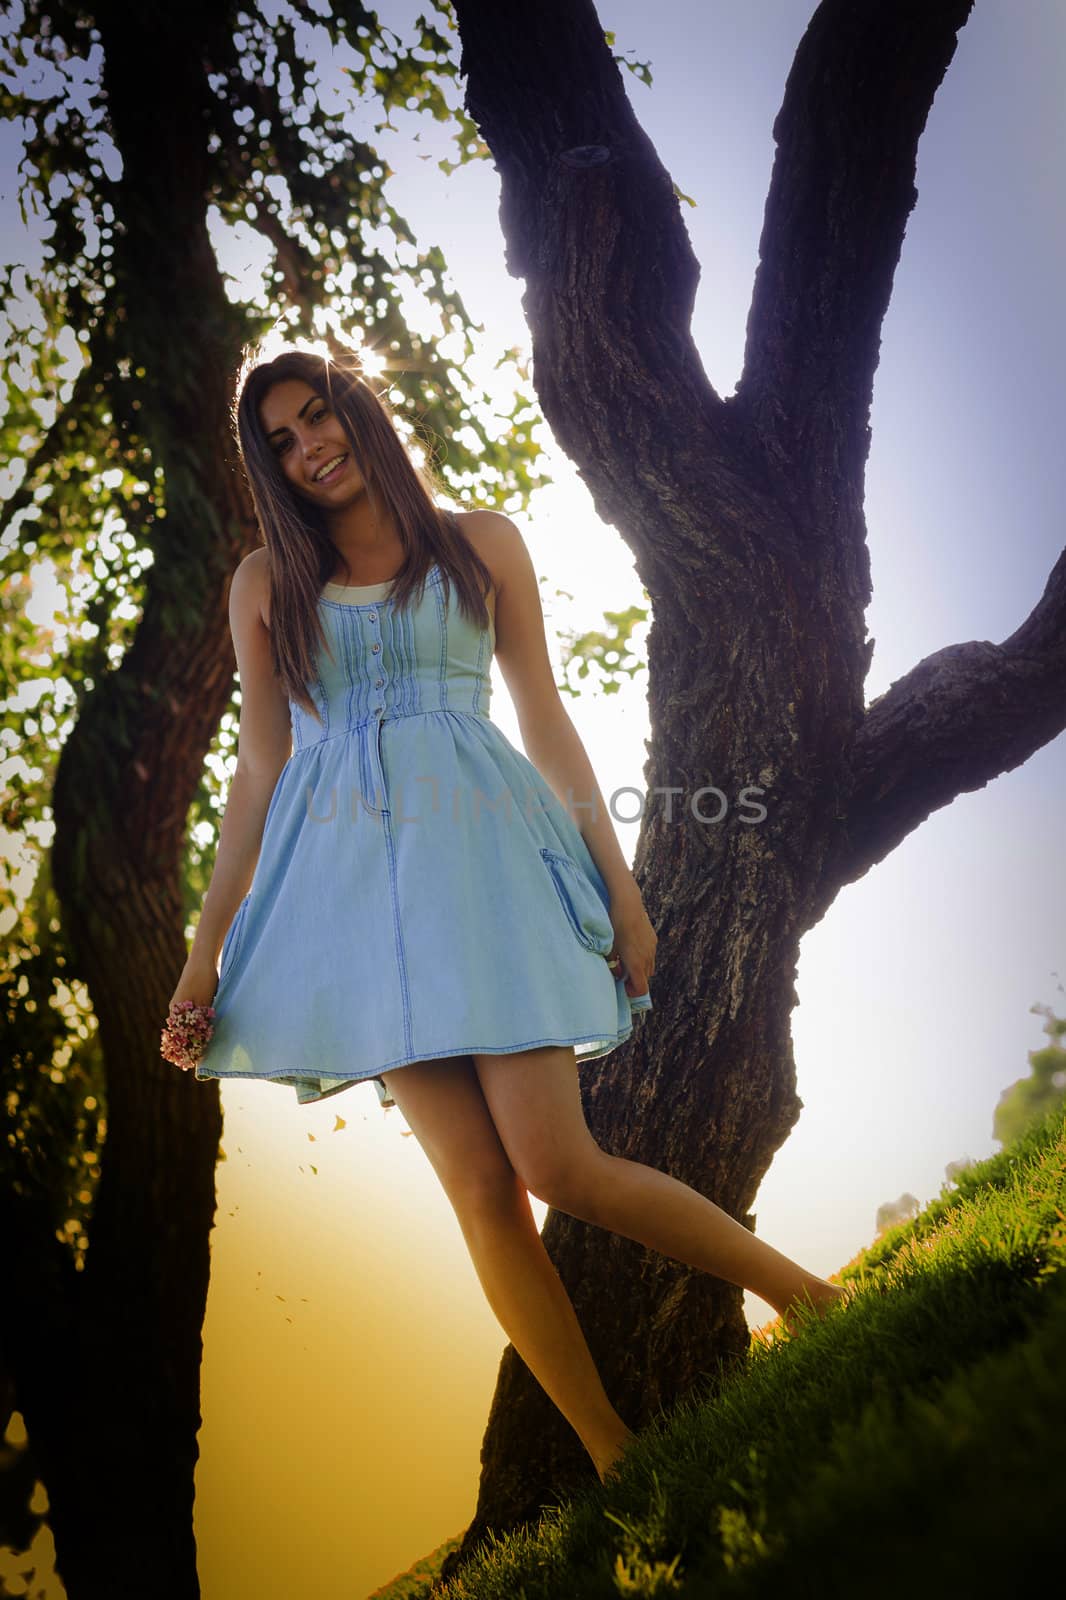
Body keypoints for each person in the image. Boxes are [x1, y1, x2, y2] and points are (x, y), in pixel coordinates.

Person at [168, 344, 847, 1486]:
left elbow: (543, 717)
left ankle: (807, 1296)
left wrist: (619, 888)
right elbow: (260, 772)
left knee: (556, 1163)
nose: (307, 448)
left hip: (484, 874)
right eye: (279, 442)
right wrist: (205, 954)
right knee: (481, 1192)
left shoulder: (479, 543)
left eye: (316, 418)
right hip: (355, 911)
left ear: (356, 410)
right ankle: (611, 1451)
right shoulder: (263, 585)